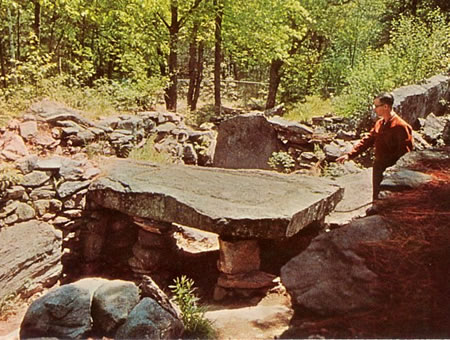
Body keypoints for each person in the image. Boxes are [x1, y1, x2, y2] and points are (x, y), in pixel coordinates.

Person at [336, 92, 414, 211]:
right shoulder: (379, 123)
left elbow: (406, 153)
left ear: (386, 107)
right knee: (377, 195)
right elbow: (367, 141)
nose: (374, 109)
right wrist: (350, 155)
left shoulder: (401, 126)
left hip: (392, 170)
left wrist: (396, 171)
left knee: (392, 199)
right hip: (379, 165)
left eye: (376, 106)